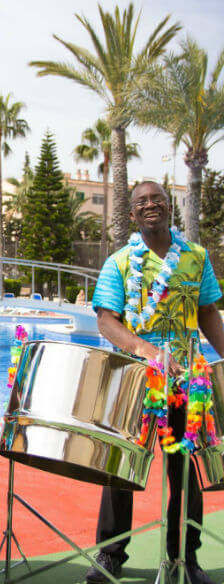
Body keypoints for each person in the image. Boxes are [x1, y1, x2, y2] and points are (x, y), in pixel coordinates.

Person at [87, 181, 224, 584]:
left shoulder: (196, 258)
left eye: (157, 199)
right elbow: (107, 320)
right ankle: (111, 555)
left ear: (169, 208)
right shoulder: (119, 262)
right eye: (141, 201)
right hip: (136, 379)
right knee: (120, 471)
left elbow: (208, 312)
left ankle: (186, 556)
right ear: (132, 214)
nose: (151, 205)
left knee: (185, 473)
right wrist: (148, 352)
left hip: (187, 380)